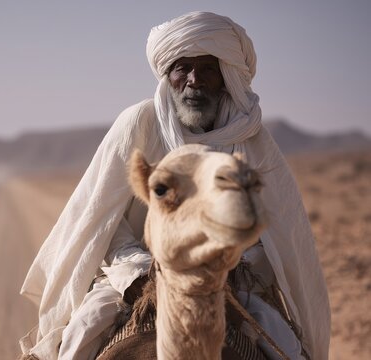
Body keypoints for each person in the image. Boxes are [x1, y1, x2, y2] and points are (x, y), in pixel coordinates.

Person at [20, 11, 330, 360]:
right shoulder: (140, 122)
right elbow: (103, 217)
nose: (194, 80)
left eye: (207, 69)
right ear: (168, 75)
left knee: (286, 347)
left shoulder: (251, 137)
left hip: (230, 279)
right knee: (81, 337)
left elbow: (276, 229)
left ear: (226, 77)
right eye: (183, 68)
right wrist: (140, 272)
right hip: (136, 276)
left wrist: (233, 267)